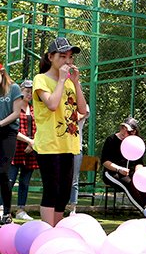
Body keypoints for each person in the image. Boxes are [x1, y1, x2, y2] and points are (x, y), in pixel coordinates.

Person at [32, 37, 88, 226]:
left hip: (69, 144)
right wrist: (62, 80)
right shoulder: (41, 79)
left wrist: (76, 83)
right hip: (49, 144)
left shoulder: (70, 83)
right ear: (50, 57)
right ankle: (47, 233)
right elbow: (53, 104)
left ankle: (56, 231)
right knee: (52, 189)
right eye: (62, 56)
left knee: (64, 191)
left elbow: (82, 110)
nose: (67, 61)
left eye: (70, 57)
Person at [100, 117, 146, 216]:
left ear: (134, 132)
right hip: (111, 173)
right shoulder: (111, 140)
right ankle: (144, 210)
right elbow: (105, 161)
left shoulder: (136, 143)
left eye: (127, 130)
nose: (123, 132)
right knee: (128, 183)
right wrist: (119, 169)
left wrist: (138, 173)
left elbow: (139, 162)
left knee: (138, 179)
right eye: (122, 128)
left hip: (128, 173)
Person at [9, 79, 37, 221]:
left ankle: (21, 210)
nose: (29, 94)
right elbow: (12, 130)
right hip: (14, 150)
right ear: (20, 91)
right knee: (9, 180)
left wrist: (32, 144)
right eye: (27, 91)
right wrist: (28, 141)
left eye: (31, 92)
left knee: (25, 182)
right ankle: (3, 209)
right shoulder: (13, 107)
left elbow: (40, 128)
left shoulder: (35, 109)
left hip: (30, 151)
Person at [0, 64, 23, 224]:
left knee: (3, 172)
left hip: (8, 133)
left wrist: (0, 123)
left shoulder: (14, 88)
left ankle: (7, 212)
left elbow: (16, 113)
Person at [68, 105, 89, 215]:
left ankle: (73, 208)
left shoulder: (83, 106)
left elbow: (80, 115)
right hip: (60, 148)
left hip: (76, 148)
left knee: (74, 180)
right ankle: (58, 207)